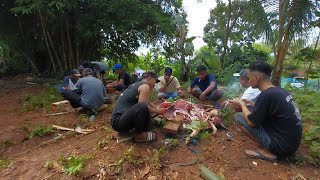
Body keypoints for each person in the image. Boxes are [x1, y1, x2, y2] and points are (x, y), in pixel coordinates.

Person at [230, 60, 302, 161]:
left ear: (256, 78)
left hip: (281, 147)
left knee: (239, 116)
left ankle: (269, 151)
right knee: (251, 109)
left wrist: (241, 104)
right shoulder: (278, 91)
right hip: (291, 144)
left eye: (249, 77)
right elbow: (273, 112)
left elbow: (251, 122)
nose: (249, 80)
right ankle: (272, 146)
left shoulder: (266, 95)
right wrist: (253, 104)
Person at [111, 71, 167, 143]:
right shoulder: (145, 86)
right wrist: (158, 111)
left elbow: (148, 102)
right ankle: (139, 135)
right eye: (155, 81)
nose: (155, 84)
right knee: (143, 107)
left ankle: (141, 130)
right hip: (119, 122)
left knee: (145, 108)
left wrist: (159, 110)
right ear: (149, 78)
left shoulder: (138, 85)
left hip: (118, 120)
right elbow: (143, 106)